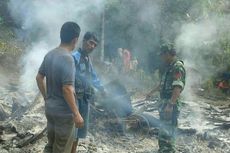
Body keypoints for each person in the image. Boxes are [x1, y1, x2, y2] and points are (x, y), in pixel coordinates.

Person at [36, 21, 84, 153]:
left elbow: (39, 77)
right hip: (64, 114)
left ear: (61, 35)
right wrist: (76, 114)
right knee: (61, 149)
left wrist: (47, 98)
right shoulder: (68, 58)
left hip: (51, 110)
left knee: (51, 145)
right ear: (75, 39)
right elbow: (67, 89)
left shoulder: (50, 54)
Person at [146, 43, 186, 153]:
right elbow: (162, 84)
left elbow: (177, 87)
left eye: (162, 55)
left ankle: (168, 150)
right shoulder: (169, 67)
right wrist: (151, 92)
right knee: (164, 129)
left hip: (170, 104)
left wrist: (170, 105)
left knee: (168, 130)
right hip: (164, 103)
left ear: (168, 53)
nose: (161, 57)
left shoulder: (177, 66)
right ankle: (163, 149)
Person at [71, 32, 105, 153]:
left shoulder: (87, 59)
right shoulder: (73, 57)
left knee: (79, 132)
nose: (92, 47)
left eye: (95, 45)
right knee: (72, 131)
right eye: (91, 43)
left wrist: (102, 88)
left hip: (85, 99)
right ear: (84, 41)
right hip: (74, 100)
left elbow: (93, 77)